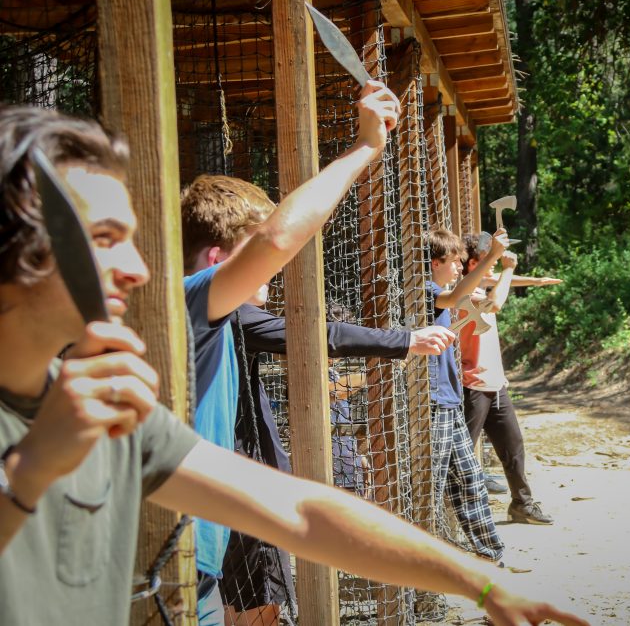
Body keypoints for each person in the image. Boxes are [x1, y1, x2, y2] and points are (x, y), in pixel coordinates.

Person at [0, 104, 589, 626]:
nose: (137, 267)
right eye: (103, 238)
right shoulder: (68, 420)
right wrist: (28, 475)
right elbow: (276, 240)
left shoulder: (105, 411)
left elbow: (300, 510)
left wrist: (481, 584)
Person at [178, 80, 407, 624]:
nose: (272, 276)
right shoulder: (188, 301)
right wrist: (365, 150)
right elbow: (279, 239)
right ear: (216, 259)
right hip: (173, 561)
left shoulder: (214, 317)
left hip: (200, 555)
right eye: (253, 261)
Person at [221, 296, 454, 624]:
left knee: (241, 598)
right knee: (257, 597)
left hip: (253, 478)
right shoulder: (232, 313)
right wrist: (404, 342)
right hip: (256, 484)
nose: (271, 277)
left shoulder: (218, 313)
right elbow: (318, 337)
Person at [459, 233, 554, 525]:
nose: (494, 270)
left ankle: (522, 505)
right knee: (462, 454)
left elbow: (498, 281)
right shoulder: (464, 292)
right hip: (471, 385)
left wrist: (535, 281)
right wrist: (509, 270)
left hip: (495, 385)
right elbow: (495, 301)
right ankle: (460, 515)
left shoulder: (482, 282)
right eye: (488, 264)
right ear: (473, 264)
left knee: (513, 447)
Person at [427, 228, 510, 563]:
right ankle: (422, 567)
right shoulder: (425, 289)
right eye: (455, 262)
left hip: (449, 401)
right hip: (433, 405)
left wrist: (508, 271)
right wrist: (492, 257)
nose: (460, 268)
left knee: (471, 479)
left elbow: (478, 296)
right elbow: (455, 297)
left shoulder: (444, 287)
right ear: (434, 263)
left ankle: (491, 556)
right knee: (428, 489)